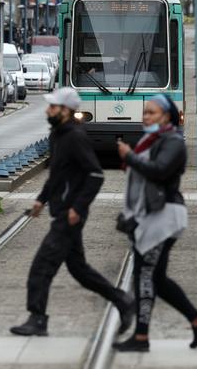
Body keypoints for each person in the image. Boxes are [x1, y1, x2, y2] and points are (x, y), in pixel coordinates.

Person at [10, 87, 134, 337]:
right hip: (62, 210)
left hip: (69, 214)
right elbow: (57, 174)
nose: (48, 110)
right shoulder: (58, 135)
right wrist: (41, 200)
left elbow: (96, 175)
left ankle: (38, 319)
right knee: (79, 270)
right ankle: (122, 301)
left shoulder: (75, 137)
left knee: (41, 267)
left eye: (52, 107)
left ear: (65, 111)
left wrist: (78, 207)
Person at [113, 94, 197, 353]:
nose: (146, 116)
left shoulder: (173, 142)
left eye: (152, 112)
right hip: (150, 214)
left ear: (167, 116)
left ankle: (141, 337)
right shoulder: (153, 140)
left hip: (164, 216)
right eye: (145, 112)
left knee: (145, 275)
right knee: (156, 277)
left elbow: (159, 170)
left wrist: (130, 157)